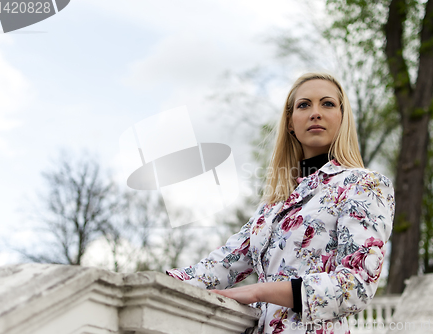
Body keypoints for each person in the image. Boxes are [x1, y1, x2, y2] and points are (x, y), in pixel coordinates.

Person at [166, 72, 395, 334]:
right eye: (304, 105)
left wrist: (261, 291)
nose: (315, 112)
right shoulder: (274, 204)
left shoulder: (363, 184)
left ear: (342, 118)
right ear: (290, 122)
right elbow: (221, 265)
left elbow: (356, 285)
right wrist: (161, 282)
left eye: (328, 104)